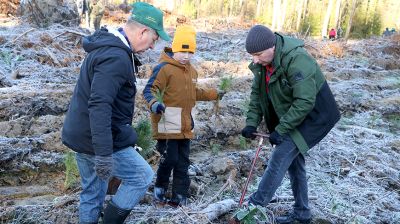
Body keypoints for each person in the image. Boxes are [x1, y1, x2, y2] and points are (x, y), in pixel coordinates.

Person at [62, 2, 170, 223]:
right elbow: (99, 105)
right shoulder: (116, 57)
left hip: (83, 135)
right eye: (154, 40)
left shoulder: (106, 45)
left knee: (92, 193)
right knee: (142, 176)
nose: (152, 47)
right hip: (98, 140)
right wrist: (103, 154)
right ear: (143, 31)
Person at [241, 25, 340, 224]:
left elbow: (305, 101)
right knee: (295, 164)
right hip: (293, 115)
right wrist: (251, 123)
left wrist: (282, 129)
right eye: (252, 55)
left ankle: (250, 210)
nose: (255, 60)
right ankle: (302, 213)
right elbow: (256, 97)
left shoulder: (297, 59)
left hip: (315, 115)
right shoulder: (262, 65)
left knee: (279, 157)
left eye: (258, 54)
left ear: (272, 47)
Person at [142, 25, 224, 207]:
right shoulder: (164, 68)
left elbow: (194, 92)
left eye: (190, 53)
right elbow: (150, 89)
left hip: (186, 121)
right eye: (182, 51)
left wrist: (212, 94)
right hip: (168, 117)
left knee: (183, 162)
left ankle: (180, 195)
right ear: (174, 48)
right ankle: (160, 189)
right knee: (169, 158)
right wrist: (155, 104)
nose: (186, 56)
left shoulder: (192, 71)